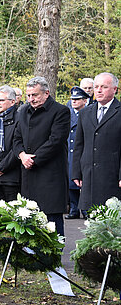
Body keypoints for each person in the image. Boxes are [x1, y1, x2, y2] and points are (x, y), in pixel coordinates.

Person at [13, 76, 69, 236]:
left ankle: (54, 257)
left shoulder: (60, 111)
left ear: (46, 93)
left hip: (50, 174)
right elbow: (17, 138)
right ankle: (32, 257)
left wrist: (33, 159)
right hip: (28, 173)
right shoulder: (23, 111)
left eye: (35, 95)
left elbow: (56, 141)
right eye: (28, 95)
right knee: (30, 218)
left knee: (51, 220)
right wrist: (22, 155)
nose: (31, 99)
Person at [72, 72, 121, 211]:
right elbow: (79, 145)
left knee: (112, 222)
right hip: (89, 176)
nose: (98, 90)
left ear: (114, 89)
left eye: (104, 87)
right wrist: (76, 172)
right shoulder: (85, 112)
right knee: (91, 221)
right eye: (96, 87)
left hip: (112, 176)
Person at [65, 86, 90, 219]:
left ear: (85, 101)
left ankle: (85, 209)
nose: (74, 101)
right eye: (72, 99)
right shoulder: (67, 114)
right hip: (70, 151)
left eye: (77, 99)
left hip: (84, 151)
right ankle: (74, 209)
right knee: (71, 181)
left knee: (85, 181)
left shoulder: (89, 113)